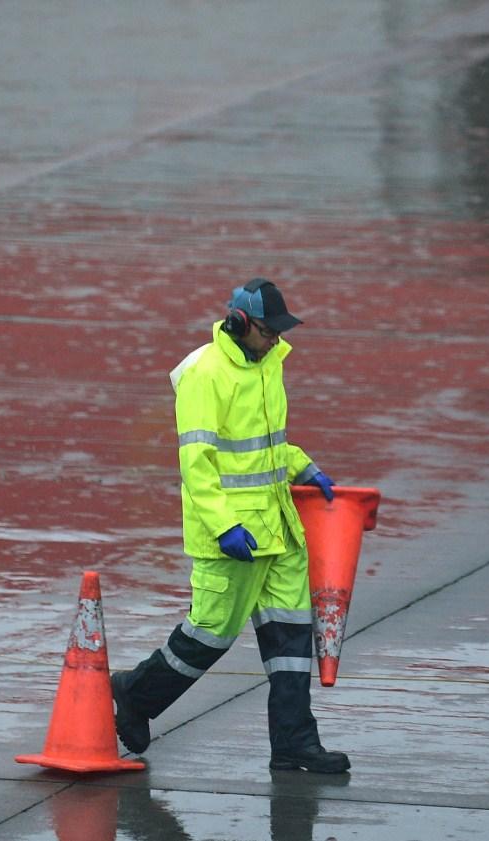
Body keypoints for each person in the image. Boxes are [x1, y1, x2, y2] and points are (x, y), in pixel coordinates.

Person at [111, 277, 349, 774]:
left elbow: (266, 445)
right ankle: (134, 694)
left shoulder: (269, 365)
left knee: (290, 644)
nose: (277, 340)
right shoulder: (205, 373)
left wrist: (302, 466)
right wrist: (223, 526)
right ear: (241, 324)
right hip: (234, 539)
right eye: (268, 331)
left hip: (278, 529)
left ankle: (294, 745)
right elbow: (197, 463)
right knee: (207, 639)